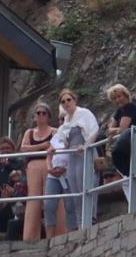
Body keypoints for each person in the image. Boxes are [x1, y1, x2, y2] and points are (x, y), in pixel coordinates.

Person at [49, 89, 98, 234]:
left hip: (83, 153)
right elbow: (61, 140)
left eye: (68, 100)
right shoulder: (66, 121)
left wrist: (86, 145)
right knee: (75, 190)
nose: (66, 103)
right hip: (72, 157)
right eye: (63, 101)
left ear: (74, 100)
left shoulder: (84, 113)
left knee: (86, 185)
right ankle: (80, 223)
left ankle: (90, 220)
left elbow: (94, 130)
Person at [104, 85, 136, 212]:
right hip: (127, 146)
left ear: (126, 96)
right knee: (128, 178)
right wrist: (115, 130)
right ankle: (135, 207)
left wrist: (115, 130)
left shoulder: (130, 108)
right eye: (114, 98)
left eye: (119, 96)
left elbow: (122, 128)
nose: (118, 100)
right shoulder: (119, 112)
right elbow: (109, 130)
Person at [17, 104, 57, 241]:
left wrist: (39, 149)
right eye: (38, 113)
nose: (40, 115)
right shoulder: (29, 132)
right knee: (33, 200)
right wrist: (41, 147)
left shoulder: (54, 132)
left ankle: (53, 233)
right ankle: (30, 236)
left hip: (48, 165)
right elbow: (23, 148)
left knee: (49, 199)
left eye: (43, 113)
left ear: (49, 116)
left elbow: (57, 147)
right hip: (33, 167)